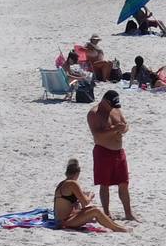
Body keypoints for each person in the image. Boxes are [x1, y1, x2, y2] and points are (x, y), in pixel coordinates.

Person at [87, 90, 133, 221]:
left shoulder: (116, 110)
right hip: (103, 151)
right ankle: (106, 213)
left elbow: (126, 125)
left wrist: (123, 128)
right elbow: (97, 135)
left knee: (124, 183)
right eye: (111, 104)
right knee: (104, 184)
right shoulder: (94, 114)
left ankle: (128, 213)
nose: (113, 107)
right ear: (104, 101)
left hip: (119, 151)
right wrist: (114, 129)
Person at [53, 158, 127, 232]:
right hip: (64, 222)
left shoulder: (62, 183)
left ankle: (117, 226)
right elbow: (85, 203)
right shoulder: (72, 183)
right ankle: (117, 228)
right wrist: (90, 196)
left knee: (92, 208)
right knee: (96, 211)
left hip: (61, 219)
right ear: (77, 173)